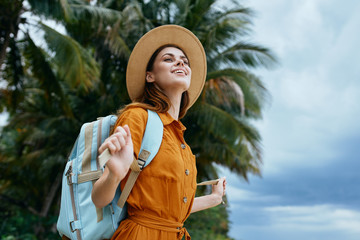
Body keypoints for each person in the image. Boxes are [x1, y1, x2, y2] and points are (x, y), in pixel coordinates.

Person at [91, 25, 227, 240]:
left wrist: (214, 198)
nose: (180, 62)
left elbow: (169, 210)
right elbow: (99, 199)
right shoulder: (137, 116)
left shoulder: (180, 139)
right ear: (150, 76)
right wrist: (115, 174)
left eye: (184, 60)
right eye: (168, 59)